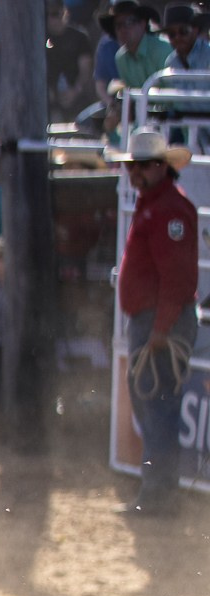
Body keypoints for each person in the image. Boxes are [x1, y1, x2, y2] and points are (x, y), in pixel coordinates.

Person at [113, 127, 199, 516]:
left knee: (158, 403)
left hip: (160, 320)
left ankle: (158, 495)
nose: (137, 172)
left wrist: (162, 327)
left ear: (163, 167)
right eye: (134, 166)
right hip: (151, 319)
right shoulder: (158, 205)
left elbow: (177, 277)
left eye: (144, 165)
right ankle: (157, 491)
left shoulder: (168, 210)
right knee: (153, 403)